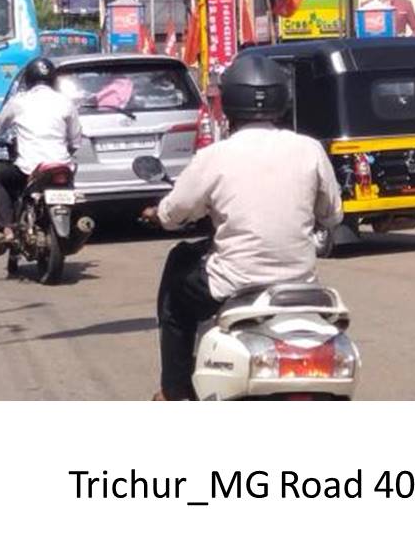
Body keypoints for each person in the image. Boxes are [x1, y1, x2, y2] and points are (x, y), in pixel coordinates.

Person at [141, 53, 344, 401]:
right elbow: (333, 213)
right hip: (300, 282)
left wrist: (156, 214)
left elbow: (176, 211)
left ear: (229, 102)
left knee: (177, 282)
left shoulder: (215, 156)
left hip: (233, 282)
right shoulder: (309, 149)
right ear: (282, 98)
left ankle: (174, 391)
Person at [0, 57, 81, 255]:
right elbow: (75, 141)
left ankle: (9, 229)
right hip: (62, 166)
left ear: (28, 79)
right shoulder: (66, 102)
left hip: (30, 168)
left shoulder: (18, 101)